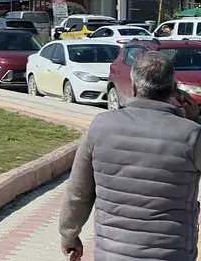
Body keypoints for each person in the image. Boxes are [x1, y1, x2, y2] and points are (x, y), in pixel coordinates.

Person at [60, 51, 201, 261]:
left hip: (112, 255)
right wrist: (195, 118)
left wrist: (69, 235)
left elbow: (78, 192)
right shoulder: (192, 134)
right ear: (174, 89)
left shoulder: (100, 126)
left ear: (133, 87)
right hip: (172, 253)